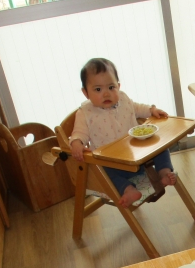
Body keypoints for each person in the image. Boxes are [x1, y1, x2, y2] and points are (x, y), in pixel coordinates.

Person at [70, 58, 176, 208]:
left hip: (137, 157)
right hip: (111, 163)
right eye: (98, 89)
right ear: (86, 92)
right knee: (103, 173)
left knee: (160, 146)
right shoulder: (85, 113)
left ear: (118, 86)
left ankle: (164, 173)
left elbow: (137, 108)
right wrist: (76, 143)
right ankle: (128, 189)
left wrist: (151, 110)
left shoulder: (123, 100)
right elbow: (79, 133)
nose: (106, 94)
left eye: (111, 87)